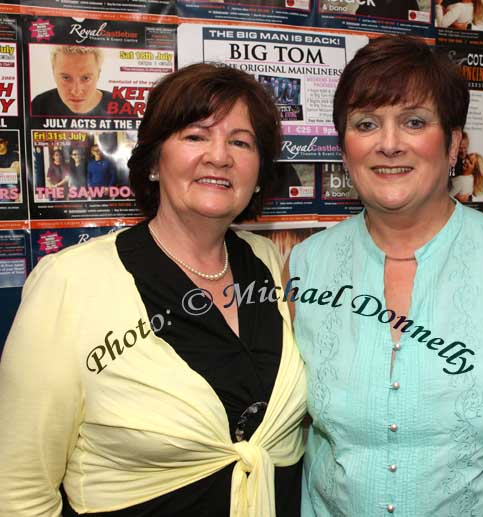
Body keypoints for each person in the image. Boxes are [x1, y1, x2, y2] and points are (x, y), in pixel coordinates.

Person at [286, 35, 483, 516]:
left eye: (414, 121)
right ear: (345, 149)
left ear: (454, 144)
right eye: (366, 124)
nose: (389, 144)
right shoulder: (305, 268)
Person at [0, 63, 306, 516]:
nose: (219, 156)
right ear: (154, 161)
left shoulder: (270, 262)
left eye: (240, 142)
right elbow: (19, 490)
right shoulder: (70, 281)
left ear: (259, 171)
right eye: (195, 136)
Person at [31, 46, 132, 117]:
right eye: (66, 78)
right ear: (53, 72)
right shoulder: (39, 105)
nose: (76, 91)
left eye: (86, 78)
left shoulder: (123, 109)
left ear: (99, 74)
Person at [0, 136, 20, 201]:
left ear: (6, 143)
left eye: (0, 142)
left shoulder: (14, 154)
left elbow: (16, 171)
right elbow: (12, 171)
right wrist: (9, 171)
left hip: (10, 183)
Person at [356, 0, 420, 20]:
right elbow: (359, 16)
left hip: (400, 41)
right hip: (376, 39)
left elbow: (416, 21)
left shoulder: (409, 1)